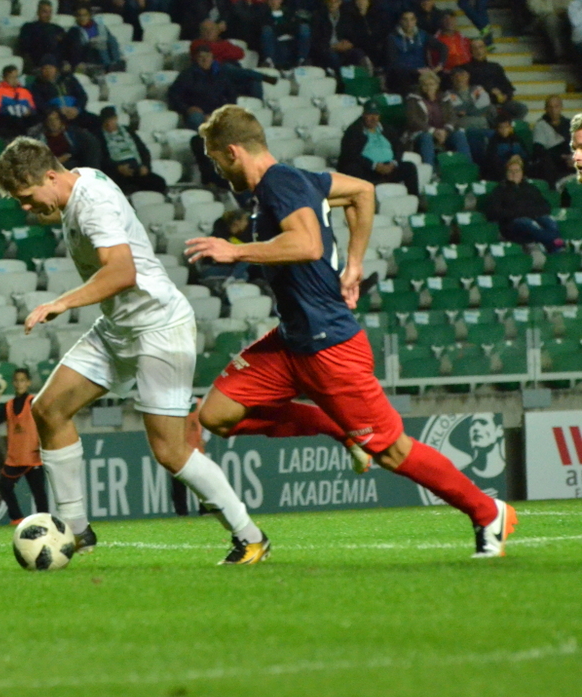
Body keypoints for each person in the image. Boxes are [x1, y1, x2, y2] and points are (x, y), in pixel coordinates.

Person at [183, 104, 517, 560]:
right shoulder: (300, 179)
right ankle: (340, 431)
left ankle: (487, 511)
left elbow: (307, 244)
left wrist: (236, 250)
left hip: (329, 346)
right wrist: (355, 263)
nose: (217, 170)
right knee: (217, 414)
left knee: (391, 451)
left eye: (215, 159)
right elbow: (362, 191)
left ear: (234, 152)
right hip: (291, 342)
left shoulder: (279, 185)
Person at [0, 136, 267, 564]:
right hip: (119, 327)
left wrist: (62, 302)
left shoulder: (92, 202)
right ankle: (75, 530)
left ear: (49, 176)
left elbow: (121, 271)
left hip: (159, 327)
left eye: (27, 197)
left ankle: (249, 536)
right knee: (47, 411)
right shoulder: (77, 184)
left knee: (171, 450)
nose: (25, 207)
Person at [0, 367, 49, 524]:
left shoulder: (33, 402)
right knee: (4, 486)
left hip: (32, 456)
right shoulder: (9, 405)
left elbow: (46, 421)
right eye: (16, 381)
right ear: (12, 383)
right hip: (16, 457)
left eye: (22, 381)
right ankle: (17, 518)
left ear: (28, 383)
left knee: (39, 493)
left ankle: (45, 521)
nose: (19, 384)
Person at [339, 100, 421, 196]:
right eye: (370, 114)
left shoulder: (386, 128)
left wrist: (393, 163)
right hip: (368, 169)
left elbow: (399, 147)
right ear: (364, 114)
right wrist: (374, 166)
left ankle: (416, 200)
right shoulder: (353, 130)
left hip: (389, 167)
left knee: (409, 167)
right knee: (352, 169)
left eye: (376, 114)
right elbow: (351, 154)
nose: (373, 118)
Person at [484, 154, 565, 251]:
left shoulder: (530, 188)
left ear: (522, 173)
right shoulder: (500, 190)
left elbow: (545, 205)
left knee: (550, 222)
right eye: (511, 171)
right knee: (527, 223)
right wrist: (518, 213)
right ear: (506, 173)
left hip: (534, 217)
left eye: (517, 171)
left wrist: (534, 213)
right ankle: (557, 243)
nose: (514, 174)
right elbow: (494, 212)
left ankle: (556, 250)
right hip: (512, 223)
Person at [405, 70, 472, 168]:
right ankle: (429, 172)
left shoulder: (444, 98)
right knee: (426, 138)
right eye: (425, 85)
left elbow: (452, 116)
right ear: (421, 86)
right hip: (422, 133)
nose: (428, 87)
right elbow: (413, 120)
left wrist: (445, 130)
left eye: (431, 84)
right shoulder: (413, 99)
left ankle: (467, 168)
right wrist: (433, 131)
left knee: (459, 135)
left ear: (437, 85)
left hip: (443, 132)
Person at [95, 106, 169, 196]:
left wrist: (145, 166)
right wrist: (117, 168)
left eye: (111, 120)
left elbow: (143, 150)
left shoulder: (128, 131)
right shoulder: (97, 136)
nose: (108, 124)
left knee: (158, 182)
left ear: (116, 119)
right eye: (105, 121)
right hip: (116, 170)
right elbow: (100, 158)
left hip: (136, 167)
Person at [168, 45, 238, 131]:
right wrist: (187, 108)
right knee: (196, 119)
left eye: (208, 56)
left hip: (217, 111)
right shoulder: (187, 75)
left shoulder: (222, 74)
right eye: (201, 57)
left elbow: (231, 96)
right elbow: (174, 95)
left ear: (212, 58)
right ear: (196, 59)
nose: (205, 60)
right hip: (196, 112)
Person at [462, 38, 528, 121]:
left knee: (521, 108)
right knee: (491, 109)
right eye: (475, 48)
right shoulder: (466, 69)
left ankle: (510, 127)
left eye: (481, 47)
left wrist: (505, 96)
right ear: (471, 51)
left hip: (500, 100)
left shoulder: (495, 66)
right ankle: (498, 129)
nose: (478, 51)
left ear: (485, 49)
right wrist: (491, 92)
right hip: (481, 102)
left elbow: (508, 87)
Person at [29, 55, 99, 133]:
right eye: (45, 68)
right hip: (55, 116)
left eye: (50, 68)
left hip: (74, 112)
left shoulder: (68, 79)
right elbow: (39, 103)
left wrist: (77, 109)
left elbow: (82, 96)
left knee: (94, 120)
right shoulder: (37, 85)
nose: (48, 71)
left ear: (56, 68)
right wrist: (58, 110)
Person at [386, 10, 447, 96]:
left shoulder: (422, 34)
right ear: (400, 21)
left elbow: (443, 47)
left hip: (423, 71)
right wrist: (415, 71)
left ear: (415, 21)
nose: (409, 23)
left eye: (412, 19)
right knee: (400, 76)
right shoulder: (392, 38)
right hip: (405, 73)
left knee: (444, 76)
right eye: (405, 20)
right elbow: (394, 63)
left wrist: (440, 65)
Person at [64, 5, 123, 75]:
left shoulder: (100, 27)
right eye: (79, 15)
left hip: (102, 51)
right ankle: (108, 66)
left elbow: (111, 42)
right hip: (88, 55)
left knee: (111, 39)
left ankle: (115, 62)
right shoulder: (74, 31)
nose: (82, 18)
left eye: (85, 15)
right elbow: (76, 49)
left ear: (89, 16)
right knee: (97, 43)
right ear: (76, 17)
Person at [257, 0, 312, 70]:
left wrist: (278, 27)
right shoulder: (262, 11)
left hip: (291, 42)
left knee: (304, 27)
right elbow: (263, 26)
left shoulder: (288, 11)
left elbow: (294, 26)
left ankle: (302, 60)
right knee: (267, 30)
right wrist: (283, 28)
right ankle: (269, 61)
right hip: (274, 43)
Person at [0, 65, 38, 139]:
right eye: (11, 77)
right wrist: (10, 110)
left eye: (16, 77)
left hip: (23, 120)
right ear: (5, 78)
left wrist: (29, 111)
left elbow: (33, 108)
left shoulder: (24, 91)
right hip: (6, 121)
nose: (15, 80)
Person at [531, 95, 573, 184]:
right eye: (550, 107)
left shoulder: (570, 124)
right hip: (554, 161)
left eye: (556, 107)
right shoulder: (541, 125)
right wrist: (561, 157)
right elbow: (539, 150)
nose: (553, 110)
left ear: (561, 107)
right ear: (545, 109)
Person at [18, 0, 66, 72]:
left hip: (56, 58)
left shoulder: (58, 28)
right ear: (38, 12)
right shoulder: (28, 27)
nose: (48, 15)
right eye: (44, 12)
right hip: (37, 57)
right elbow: (24, 46)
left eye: (50, 12)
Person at [482, 113, 529, 181]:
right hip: (500, 173)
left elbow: (526, 156)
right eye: (501, 127)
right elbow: (492, 161)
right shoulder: (493, 142)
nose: (504, 130)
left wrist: (519, 158)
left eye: (506, 127)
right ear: (497, 129)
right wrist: (509, 162)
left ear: (510, 127)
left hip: (519, 168)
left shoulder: (517, 139)